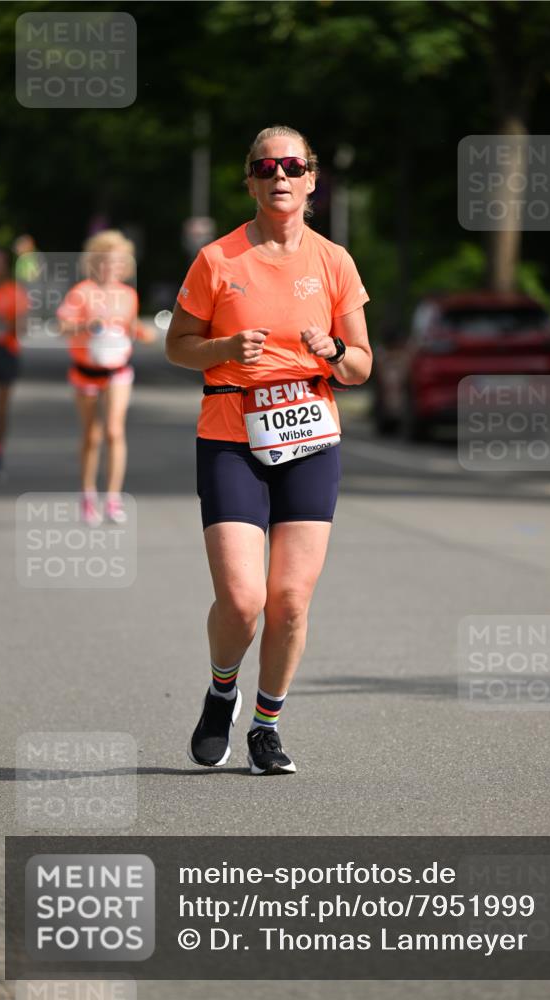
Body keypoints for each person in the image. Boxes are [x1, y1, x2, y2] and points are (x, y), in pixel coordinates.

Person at [166, 125, 372, 776]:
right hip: (231, 431)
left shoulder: (333, 261)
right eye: (266, 167)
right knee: (242, 599)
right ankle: (221, 688)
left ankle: (265, 726)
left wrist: (333, 351)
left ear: (312, 180)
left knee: (288, 601)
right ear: (250, 181)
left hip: (310, 435)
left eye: (293, 165)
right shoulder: (218, 261)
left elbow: (362, 364)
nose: (279, 176)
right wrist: (224, 349)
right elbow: (177, 345)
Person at [56, 230, 155, 525]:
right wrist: (86, 324)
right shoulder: (82, 292)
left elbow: (129, 326)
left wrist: (141, 332)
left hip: (117, 371)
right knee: (92, 435)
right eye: (104, 261)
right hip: (86, 371)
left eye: (116, 262)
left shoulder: (128, 295)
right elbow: (62, 326)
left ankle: (112, 498)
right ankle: (88, 494)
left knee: (114, 431)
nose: (109, 267)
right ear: (94, 262)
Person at [0, 247, 28, 482]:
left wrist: (8, 322)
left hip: (8, 351)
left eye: (0, 264)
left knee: (1, 411)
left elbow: (23, 328)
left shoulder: (16, 292)